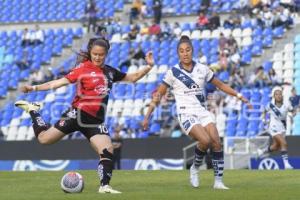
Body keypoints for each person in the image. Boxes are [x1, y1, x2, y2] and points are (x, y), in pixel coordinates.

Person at [15, 37, 155, 193]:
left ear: (106, 54)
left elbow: (132, 78)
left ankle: (104, 186)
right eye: (94, 54)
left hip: (95, 122)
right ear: (90, 52)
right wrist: (33, 88)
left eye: (101, 54)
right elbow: (56, 83)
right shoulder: (82, 68)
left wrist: (149, 66)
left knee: (107, 149)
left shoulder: (110, 72)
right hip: (77, 115)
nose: (97, 57)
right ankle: (33, 110)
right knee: (44, 139)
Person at [142, 36, 251, 190]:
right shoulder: (173, 72)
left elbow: (220, 85)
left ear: (192, 51)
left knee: (216, 142)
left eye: (187, 50)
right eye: (181, 51)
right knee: (205, 141)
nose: (185, 53)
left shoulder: (202, 69)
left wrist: (239, 96)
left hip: (202, 111)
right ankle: (194, 168)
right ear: (178, 53)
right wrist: (148, 116)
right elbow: (158, 95)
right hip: (186, 114)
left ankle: (218, 182)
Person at [257, 86, 295, 169]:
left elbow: (292, 111)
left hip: (283, 127)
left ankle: (262, 151)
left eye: (280, 94)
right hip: (273, 127)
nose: (278, 95)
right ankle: (286, 164)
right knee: (284, 143)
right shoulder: (270, 105)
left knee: (276, 146)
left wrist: (292, 115)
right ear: (274, 96)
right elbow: (264, 111)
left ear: (282, 95)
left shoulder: (287, 103)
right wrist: (264, 120)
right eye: (276, 94)